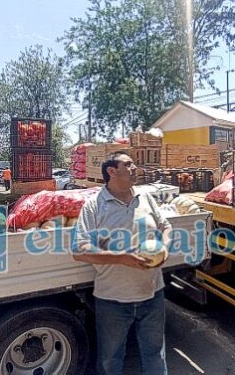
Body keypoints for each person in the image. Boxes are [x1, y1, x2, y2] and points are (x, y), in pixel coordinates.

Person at [72, 151, 172, 375]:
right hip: (112, 301)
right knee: (110, 360)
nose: (135, 167)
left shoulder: (145, 197)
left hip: (152, 294)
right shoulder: (94, 206)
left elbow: (165, 226)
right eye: (128, 164)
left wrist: (165, 247)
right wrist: (122, 259)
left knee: (155, 355)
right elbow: (79, 250)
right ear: (111, 171)